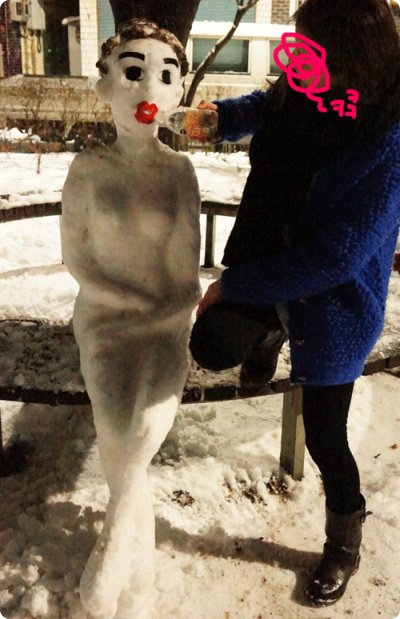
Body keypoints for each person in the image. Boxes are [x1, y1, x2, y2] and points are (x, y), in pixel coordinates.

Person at [189, 0, 400, 607]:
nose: (297, 62)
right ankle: (268, 332)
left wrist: (234, 287)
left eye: (310, 49)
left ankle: (344, 542)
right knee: (212, 344)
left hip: (332, 300)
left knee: (324, 436)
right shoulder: (311, 84)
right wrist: (222, 119)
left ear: (351, 56)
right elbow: (270, 103)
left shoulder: (388, 138)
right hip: (270, 255)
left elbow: (336, 258)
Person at [61, 19, 201, 619]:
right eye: (133, 72)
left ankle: (111, 560)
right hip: (104, 325)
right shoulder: (87, 169)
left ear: (178, 92)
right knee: (117, 436)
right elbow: (78, 260)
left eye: (166, 76)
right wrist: (127, 302)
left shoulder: (179, 171)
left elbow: (186, 269)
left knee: (141, 432)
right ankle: (136, 586)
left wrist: (165, 308)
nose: (148, 90)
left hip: (166, 325)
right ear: (104, 86)